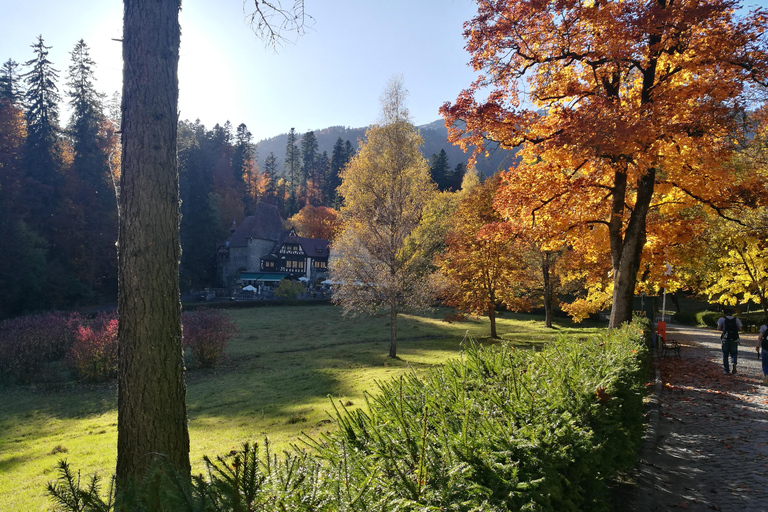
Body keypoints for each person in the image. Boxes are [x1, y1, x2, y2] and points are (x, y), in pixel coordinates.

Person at [717, 308, 743, 374]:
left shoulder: (722, 319)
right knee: (734, 353)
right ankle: (734, 363)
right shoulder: (736, 319)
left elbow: (718, 328)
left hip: (725, 338)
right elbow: (740, 328)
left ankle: (726, 370)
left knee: (725, 354)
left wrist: (724, 330)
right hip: (734, 338)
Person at [757, 319, 768, 385]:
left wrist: (757, 346)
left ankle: (766, 375)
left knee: (765, 363)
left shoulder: (764, 327)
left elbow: (760, 337)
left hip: (765, 347)